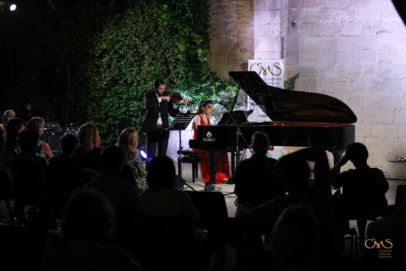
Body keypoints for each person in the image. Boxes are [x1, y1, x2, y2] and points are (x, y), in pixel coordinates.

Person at [331, 142, 389, 239]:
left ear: (350, 159)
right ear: (366, 155)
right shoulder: (378, 173)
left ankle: (343, 234)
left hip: (353, 210)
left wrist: (340, 163)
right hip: (376, 209)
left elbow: (327, 179)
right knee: (363, 209)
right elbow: (385, 188)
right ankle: (362, 237)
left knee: (336, 203)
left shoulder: (347, 176)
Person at [140, 78, 188, 160]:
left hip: (164, 129)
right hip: (153, 129)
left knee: (162, 155)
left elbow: (172, 113)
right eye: (160, 89)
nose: (162, 90)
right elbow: (149, 105)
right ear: (155, 88)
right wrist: (161, 98)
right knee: (150, 154)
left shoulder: (167, 97)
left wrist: (182, 105)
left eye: (163, 88)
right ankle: (150, 171)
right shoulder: (149, 95)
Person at [192, 100, 229, 191]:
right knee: (208, 154)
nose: (211, 109)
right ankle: (208, 181)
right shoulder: (198, 116)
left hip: (207, 143)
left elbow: (210, 133)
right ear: (203, 107)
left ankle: (218, 177)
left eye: (212, 107)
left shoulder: (207, 118)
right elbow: (200, 133)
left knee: (222, 151)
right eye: (209, 107)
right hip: (199, 144)